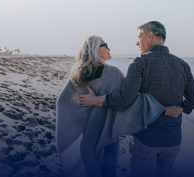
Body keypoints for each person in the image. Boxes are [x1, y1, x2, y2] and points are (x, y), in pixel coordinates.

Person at [80, 21, 194, 177]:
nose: (137, 42)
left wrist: (97, 100)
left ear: (150, 36)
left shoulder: (140, 63)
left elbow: (125, 98)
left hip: (146, 139)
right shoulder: (183, 65)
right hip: (173, 140)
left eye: (139, 37)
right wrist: (178, 109)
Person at [56, 35, 182, 177]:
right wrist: (164, 110)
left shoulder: (77, 75)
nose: (109, 48)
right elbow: (133, 101)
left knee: (88, 170)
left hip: (88, 137)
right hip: (107, 134)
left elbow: (63, 102)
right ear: (95, 49)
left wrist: (83, 114)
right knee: (108, 172)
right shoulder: (113, 73)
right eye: (105, 45)